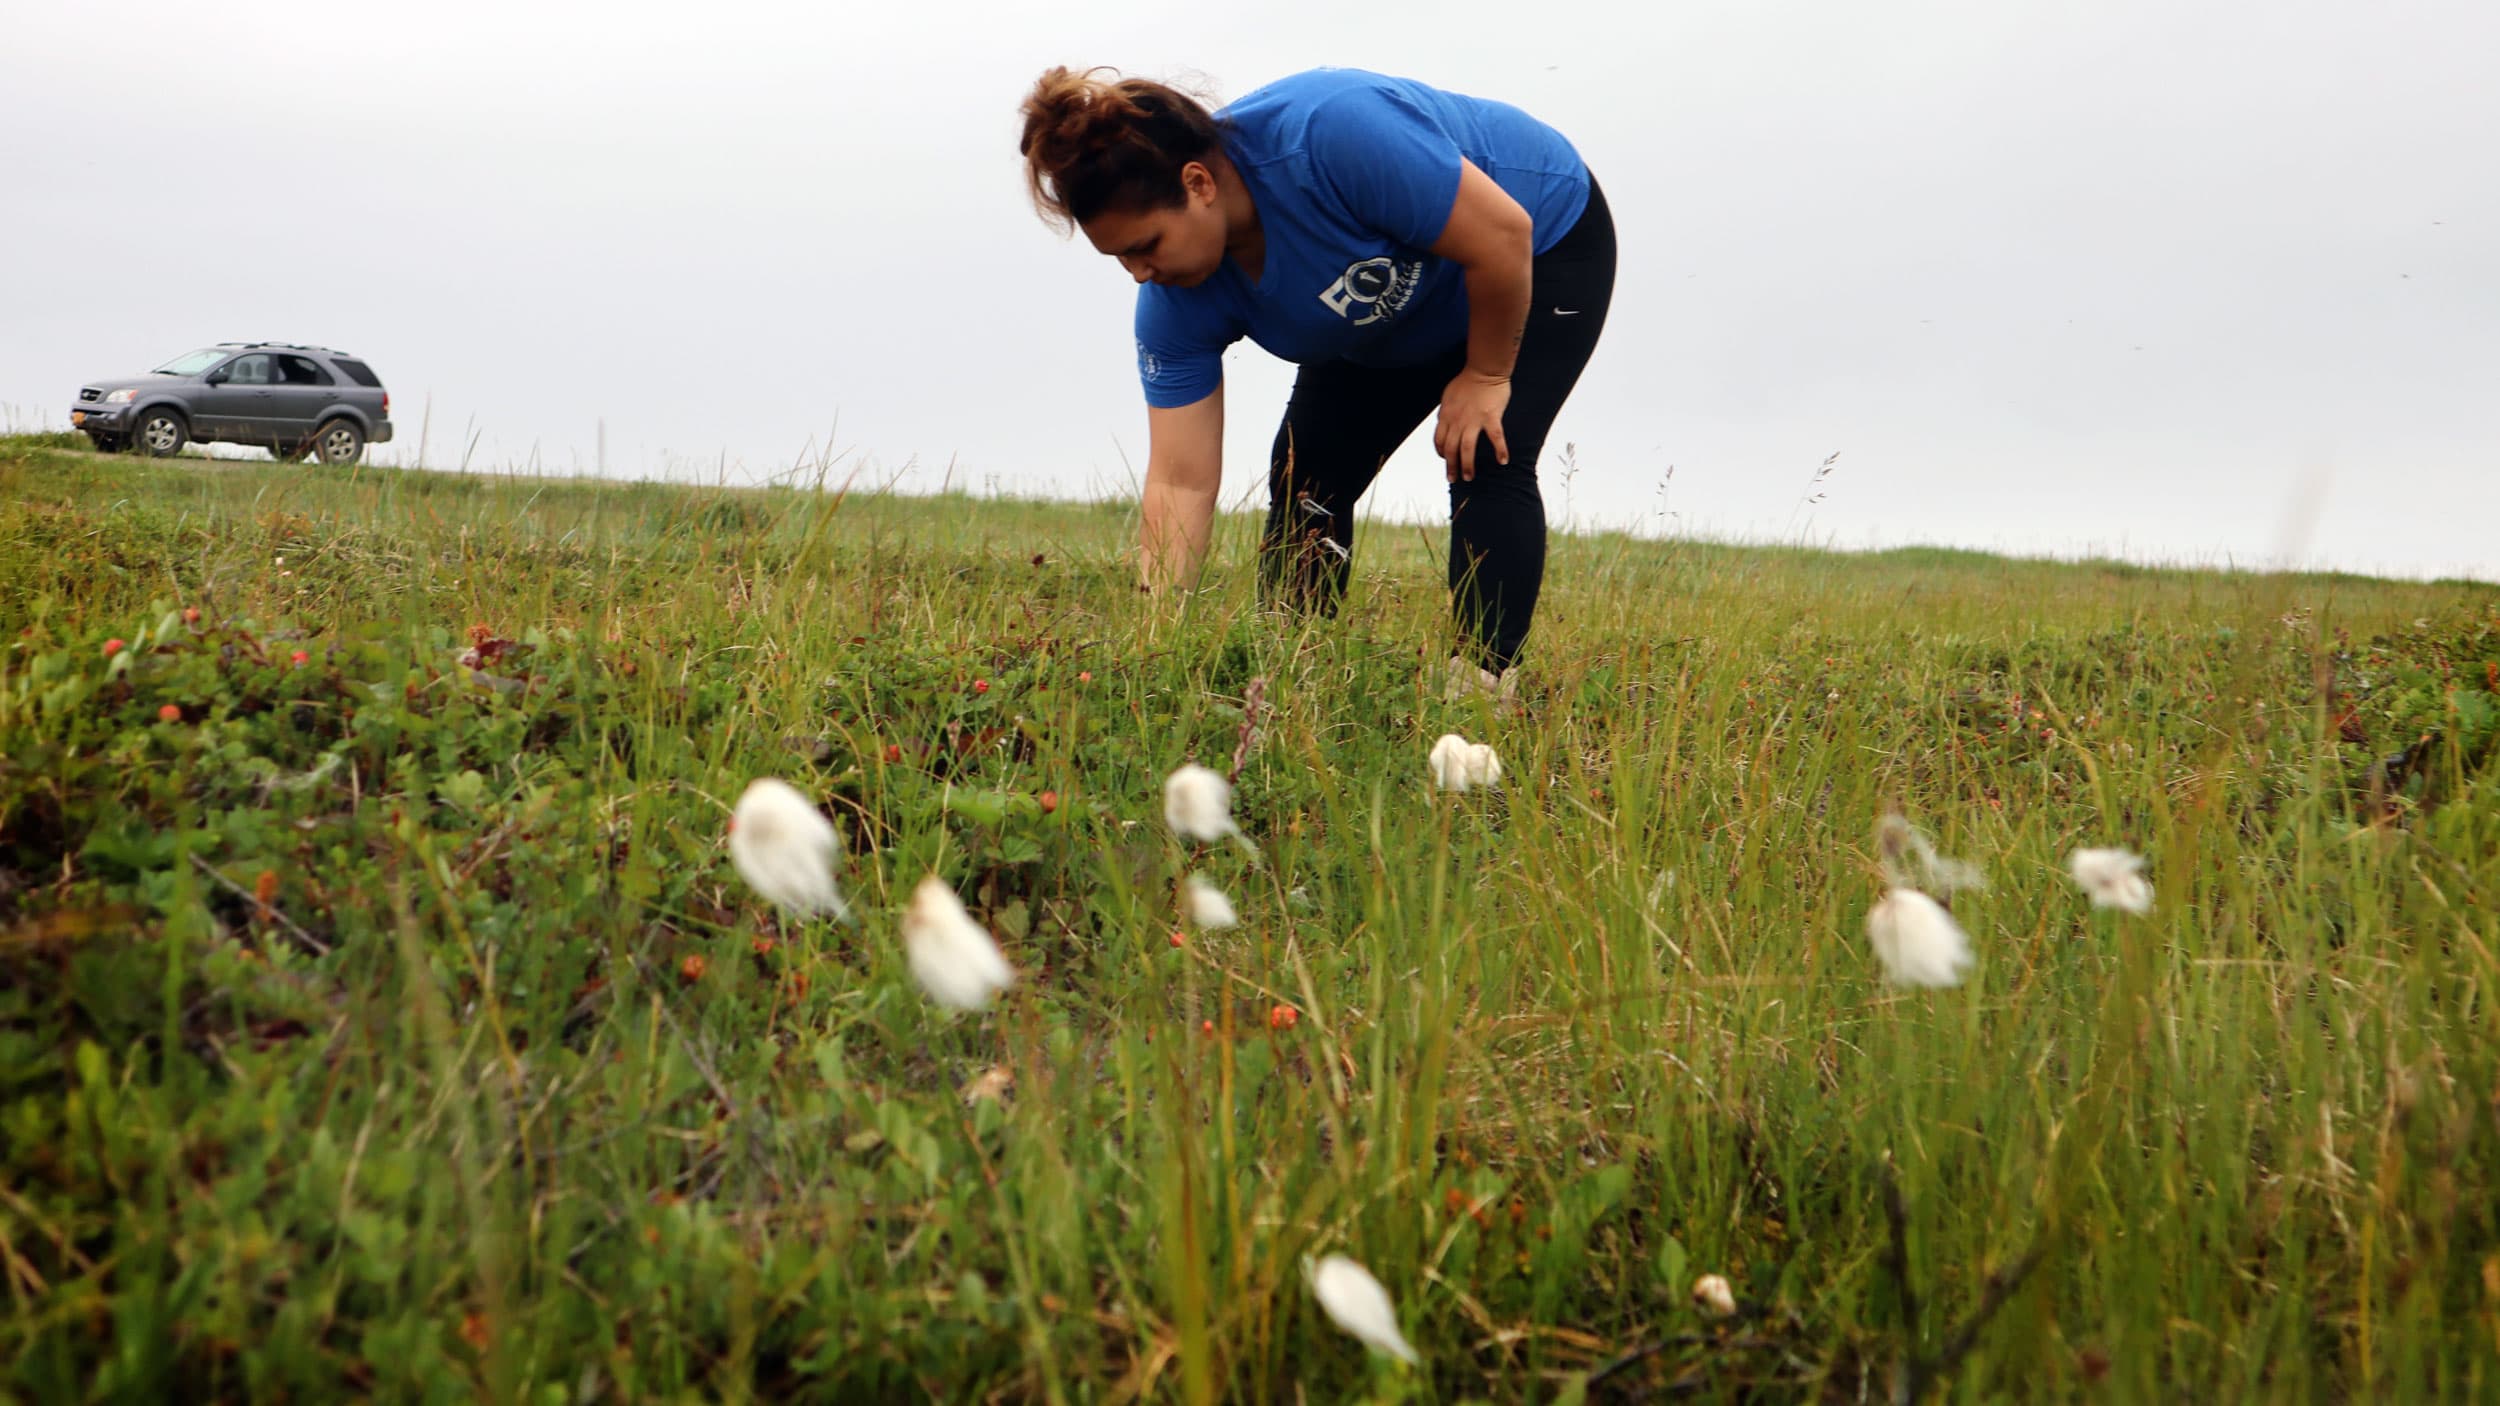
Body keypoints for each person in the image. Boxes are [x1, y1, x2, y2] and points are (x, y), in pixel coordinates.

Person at [1018, 64, 1615, 703]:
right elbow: (1179, 480)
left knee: (1484, 449)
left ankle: (1478, 699)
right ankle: (1287, 675)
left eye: (1147, 245)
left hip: (1538, 242)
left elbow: (1503, 234)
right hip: (1389, 303)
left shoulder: (1331, 136)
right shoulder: (1174, 305)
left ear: (1198, 184)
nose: (1140, 274)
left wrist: (1487, 373)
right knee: (1308, 477)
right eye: (1122, 259)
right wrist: (1158, 643)